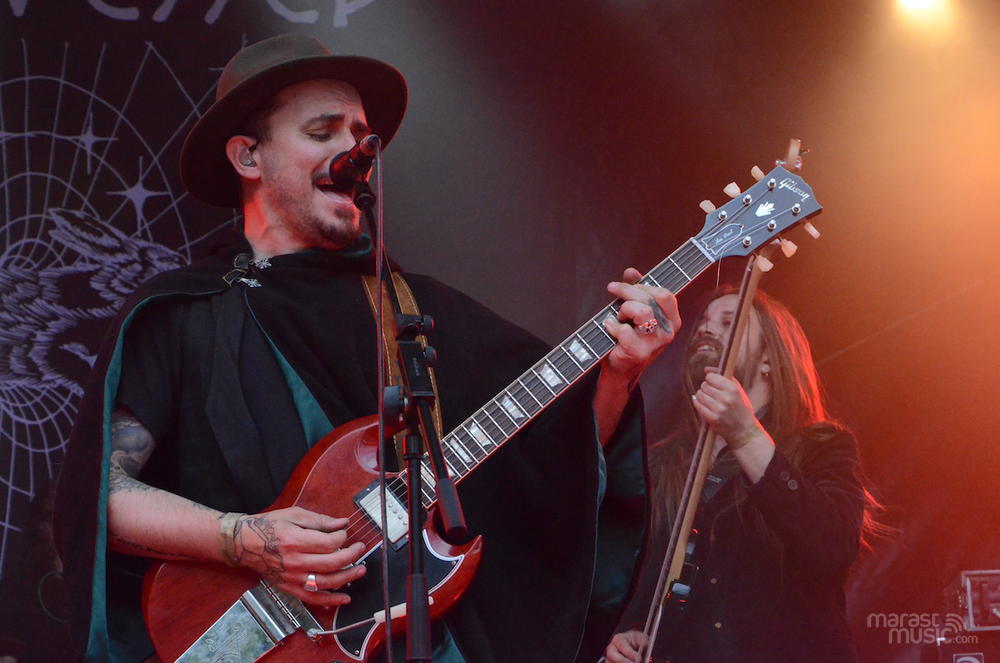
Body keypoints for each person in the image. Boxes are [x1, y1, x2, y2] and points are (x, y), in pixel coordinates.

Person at [54, 34, 682, 663]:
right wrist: (246, 540)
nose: (353, 152)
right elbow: (100, 496)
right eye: (322, 132)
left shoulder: (416, 310)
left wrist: (617, 374)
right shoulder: (184, 312)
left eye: (360, 135)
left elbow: (555, 458)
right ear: (248, 156)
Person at [605, 289, 878, 663]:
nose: (706, 330)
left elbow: (832, 545)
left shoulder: (821, 445)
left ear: (769, 358)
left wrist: (746, 435)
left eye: (728, 323)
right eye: (703, 323)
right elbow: (640, 573)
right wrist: (629, 631)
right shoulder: (664, 460)